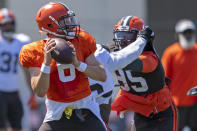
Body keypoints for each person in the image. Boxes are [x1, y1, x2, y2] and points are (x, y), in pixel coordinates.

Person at [19, 2, 107, 131]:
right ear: (50, 25)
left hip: (86, 109)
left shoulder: (82, 41)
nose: (71, 24)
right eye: (65, 21)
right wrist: (46, 64)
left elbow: (102, 76)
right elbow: (40, 92)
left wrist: (78, 64)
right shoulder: (34, 51)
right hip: (56, 112)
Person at [110, 16, 178, 131]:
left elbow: (125, 62)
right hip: (140, 113)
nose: (122, 41)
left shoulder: (149, 59)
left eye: (127, 36)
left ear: (139, 38)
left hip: (161, 115)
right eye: (120, 36)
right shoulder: (116, 54)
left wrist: (106, 56)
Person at [89, 26, 153, 125]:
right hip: (97, 107)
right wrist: (143, 39)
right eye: (121, 35)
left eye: (127, 35)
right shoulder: (108, 58)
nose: (123, 39)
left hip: (80, 107)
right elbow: (125, 58)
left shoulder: (86, 57)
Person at [0, 8, 36, 131]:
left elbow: (26, 70)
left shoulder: (22, 42)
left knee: (17, 126)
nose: (8, 28)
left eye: (10, 25)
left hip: (14, 92)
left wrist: (32, 93)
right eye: (5, 25)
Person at [161, 19, 197, 131]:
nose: (188, 35)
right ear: (178, 35)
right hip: (176, 104)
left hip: (195, 103)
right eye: (185, 33)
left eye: (190, 32)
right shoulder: (171, 53)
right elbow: (164, 78)